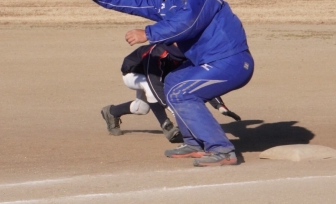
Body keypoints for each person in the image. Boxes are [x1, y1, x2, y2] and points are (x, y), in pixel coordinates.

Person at [61, 0, 254, 167]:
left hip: (230, 61)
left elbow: (187, 22)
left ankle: (221, 149)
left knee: (181, 93)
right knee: (173, 82)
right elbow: (135, 0)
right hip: (212, 61)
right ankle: (195, 143)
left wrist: (148, 33)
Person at [101, 42, 242, 143]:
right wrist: (170, 108)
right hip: (133, 73)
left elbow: (199, 78)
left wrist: (219, 105)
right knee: (150, 88)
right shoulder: (156, 53)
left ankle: (112, 112)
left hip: (155, 77)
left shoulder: (188, 51)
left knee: (141, 108)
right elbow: (154, 82)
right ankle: (166, 125)